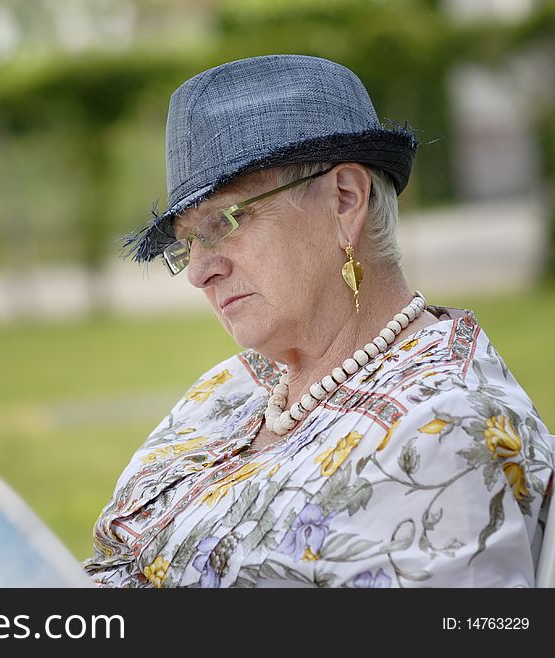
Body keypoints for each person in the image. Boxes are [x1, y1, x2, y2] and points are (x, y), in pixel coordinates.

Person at [82, 55, 554, 588]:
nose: (198, 271)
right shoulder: (233, 387)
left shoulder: (441, 431)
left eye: (224, 221)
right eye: (188, 241)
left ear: (345, 200)